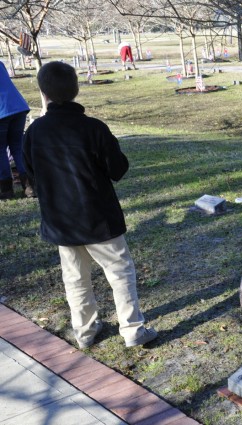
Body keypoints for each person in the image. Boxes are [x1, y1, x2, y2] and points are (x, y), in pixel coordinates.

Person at [22, 61, 156, 349]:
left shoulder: (35, 132)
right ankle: (132, 329)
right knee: (120, 271)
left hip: (61, 220)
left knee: (75, 277)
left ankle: (83, 331)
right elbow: (117, 169)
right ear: (76, 89)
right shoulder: (94, 128)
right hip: (98, 218)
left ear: (43, 92)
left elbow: (30, 174)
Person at [0, 61, 34, 199]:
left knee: (0, 149)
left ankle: (6, 190)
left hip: (2, 111)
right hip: (18, 107)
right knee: (17, 146)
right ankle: (30, 186)